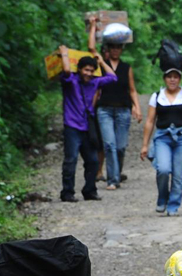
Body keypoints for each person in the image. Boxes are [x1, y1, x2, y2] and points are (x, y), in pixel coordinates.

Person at [57, 19, 116, 202]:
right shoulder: (71, 81)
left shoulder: (95, 82)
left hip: (87, 126)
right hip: (72, 126)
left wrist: (100, 61)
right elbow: (67, 70)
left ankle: (89, 190)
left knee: (92, 160)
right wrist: (64, 53)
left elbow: (113, 77)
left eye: (91, 70)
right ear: (80, 69)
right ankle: (67, 192)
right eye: (86, 70)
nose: (89, 73)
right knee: (71, 160)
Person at [140, 67, 182, 217]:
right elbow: (150, 121)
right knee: (162, 169)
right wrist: (145, 145)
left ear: (180, 79)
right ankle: (163, 196)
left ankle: (173, 205)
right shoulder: (157, 96)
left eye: (175, 77)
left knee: (178, 173)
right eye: (169, 76)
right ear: (164, 78)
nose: (172, 79)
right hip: (163, 137)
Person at [95, 40, 142, 190]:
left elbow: (132, 89)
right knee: (109, 144)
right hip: (105, 110)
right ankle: (113, 180)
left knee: (120, 146)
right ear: (108, 50)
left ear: (121, 50)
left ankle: (117, 171)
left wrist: (137, 107)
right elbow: (96, 88)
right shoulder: (102, 66)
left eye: (118, 48)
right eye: (112, 48)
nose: (115, 50)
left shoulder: (126, 68)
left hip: (123, 109)